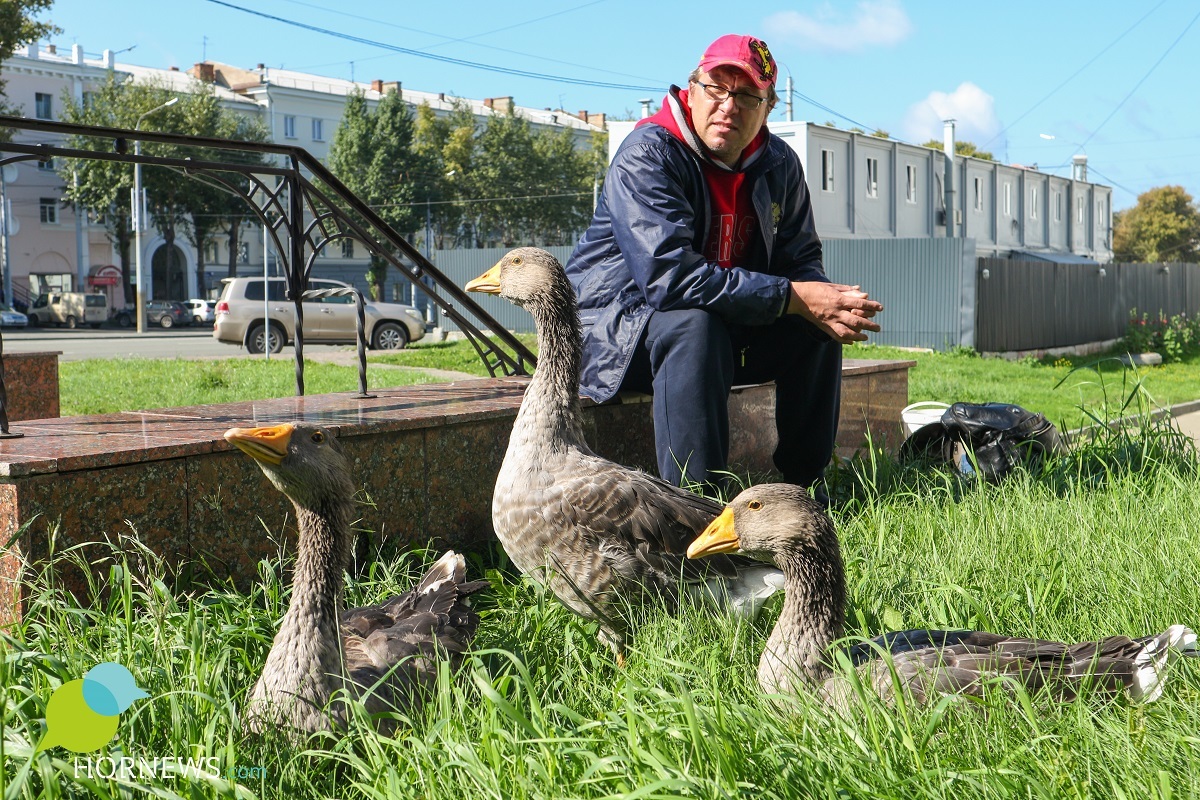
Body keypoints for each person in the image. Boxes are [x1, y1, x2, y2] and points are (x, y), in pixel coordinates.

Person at [564, 34, 883, 492]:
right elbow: (668, 280)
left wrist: (826, 300)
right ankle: (698, 507)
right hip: (614, 332)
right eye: (716, 88)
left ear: (767, 107)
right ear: (690, 90)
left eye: (747, 95)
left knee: (815, 324)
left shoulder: (779, 166)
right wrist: (791, 296)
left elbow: (801, 259)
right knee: (694, 324)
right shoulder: (648, 154)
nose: (728, 105)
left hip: (718, 327)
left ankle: (803, 490)